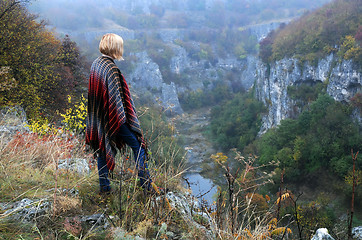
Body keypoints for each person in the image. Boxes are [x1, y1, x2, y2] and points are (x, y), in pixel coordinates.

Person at [86, 33, 151, 194]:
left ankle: (105, 188)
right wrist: (125, 121)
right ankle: (146, 186)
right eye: (120, 46)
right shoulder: (112, 69)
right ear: (116, 48)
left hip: (101, 118)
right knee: (138, 146)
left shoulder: (96, 64)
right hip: (115, 118)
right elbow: (117, 103)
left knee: (103, 147)